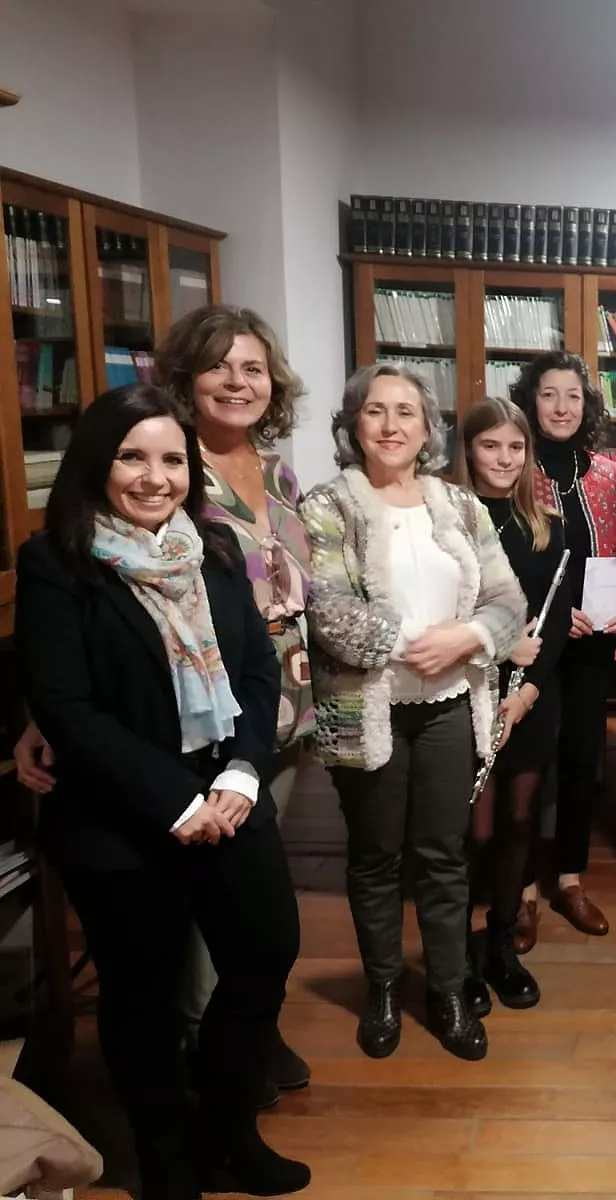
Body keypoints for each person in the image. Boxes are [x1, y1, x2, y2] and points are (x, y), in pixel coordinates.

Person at [13, 304, 315, 1107]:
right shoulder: (67, 554)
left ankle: (227, 1098)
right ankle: (178, 1128)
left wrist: (242, 770)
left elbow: (257, 650)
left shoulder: (241, 508)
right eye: (220, 367)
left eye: (254, 368)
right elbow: (73, 690)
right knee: (156, 974)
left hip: (254, 738)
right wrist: (167, 792)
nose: (155, 477)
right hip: (137, 793)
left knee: (255, 944)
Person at [301, 364, 526, 1063]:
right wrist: (413, 646)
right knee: (374, 859)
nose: (392, 425)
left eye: (407, 412)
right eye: (376, 411)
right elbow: (327, 609)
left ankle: (451, 990)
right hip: (363, 708)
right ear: (353, 424)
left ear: (429, 428)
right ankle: (385, 988)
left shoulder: (459, 506)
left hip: (449, 707)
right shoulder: (324, 505)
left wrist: (471, 637)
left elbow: (506, 597)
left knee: (443, 857)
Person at [510, 350, 616, 941]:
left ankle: (569, 878)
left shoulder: (608, 472)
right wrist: (555, 616)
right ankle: (522, 889)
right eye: (549, 395)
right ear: (530, 402)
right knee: (530, 765)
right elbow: (501, 568)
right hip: (532, 643)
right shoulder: (512, 469)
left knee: (585, 760)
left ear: (586, 407)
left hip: (591, 643)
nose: (561, 407)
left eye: (573, 396)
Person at [455, 397, 566, 1013]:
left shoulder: (547, 527)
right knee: (477, 831)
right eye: (490, 445)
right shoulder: (445, 521)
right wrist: (500, 652)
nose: (503, 458)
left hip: (527, 699)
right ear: (468, 450)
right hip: (469, 692)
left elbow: (549, 637)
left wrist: (525, 693)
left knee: (520, 824)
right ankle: (463, 953)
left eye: (515, 447)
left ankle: (502, 945)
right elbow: (446, 618)